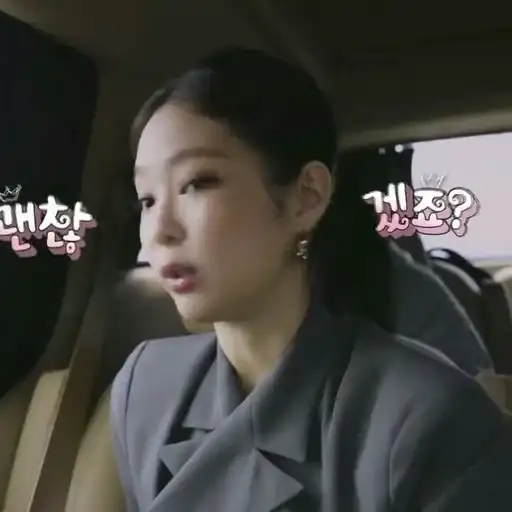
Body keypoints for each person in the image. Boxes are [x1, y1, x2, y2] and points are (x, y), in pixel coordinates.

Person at [110, 47, 512, 511]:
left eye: (198, 182)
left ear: (307, 197)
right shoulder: (145, 391)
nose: (160, 231)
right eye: (146, 199)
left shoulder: (430, 418)